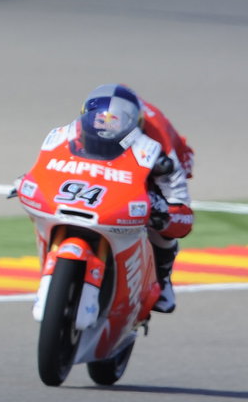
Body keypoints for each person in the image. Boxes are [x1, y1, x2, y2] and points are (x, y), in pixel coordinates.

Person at [64, 83, 194, 313]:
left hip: (165, 160)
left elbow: (180, 205)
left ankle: (163, 279)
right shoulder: (77, 128)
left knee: (160, 210)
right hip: (117, 156)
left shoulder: (159, 141)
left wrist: (166, 215)